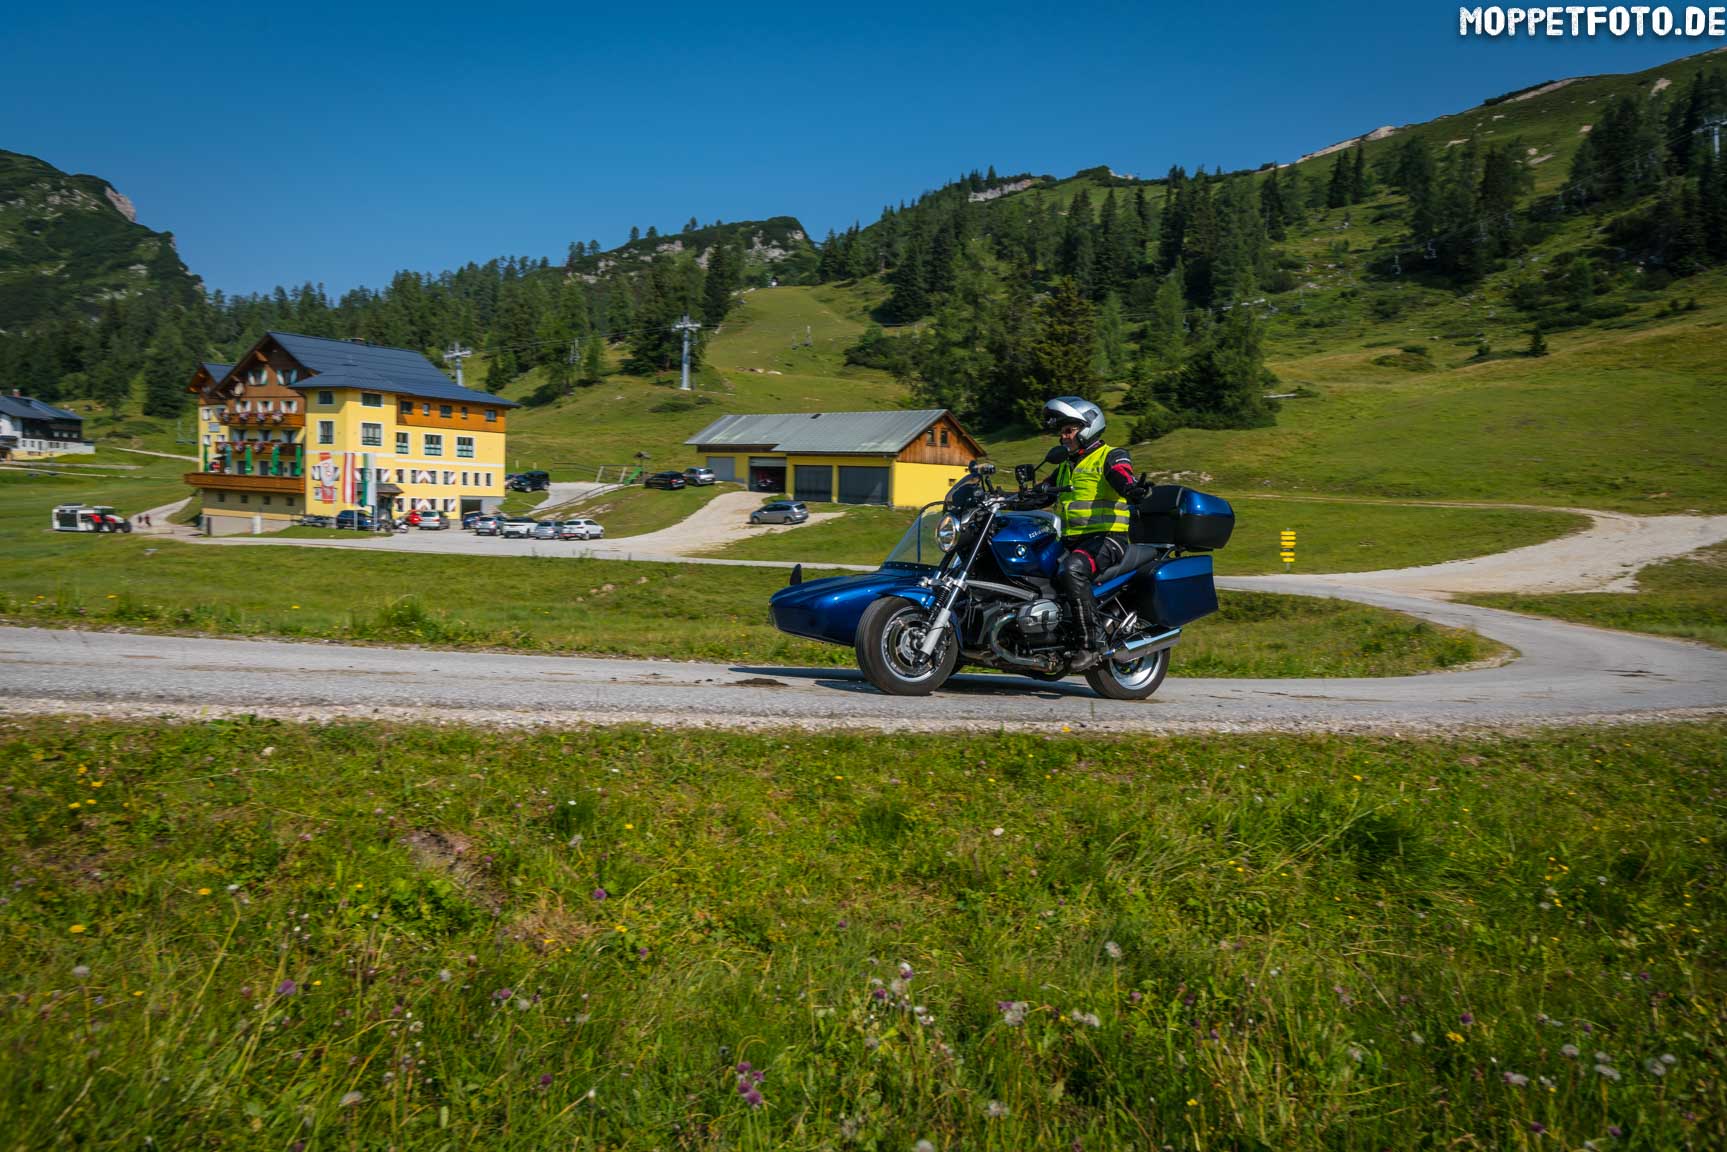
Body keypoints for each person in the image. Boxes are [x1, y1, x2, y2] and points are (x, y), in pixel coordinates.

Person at [1023, 396, 1146, 670]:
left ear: (1088, 427)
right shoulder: (1066, 466)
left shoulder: (1110, 456)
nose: (1063, 437)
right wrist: (1002, 498)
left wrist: (1132, 488)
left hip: (1107, 539)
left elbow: (1122, 475)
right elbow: (1039, 496)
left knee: (1072, 571)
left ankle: (1091, 644)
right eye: (1062, 431)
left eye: (1069, 430)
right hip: (1072, 540)